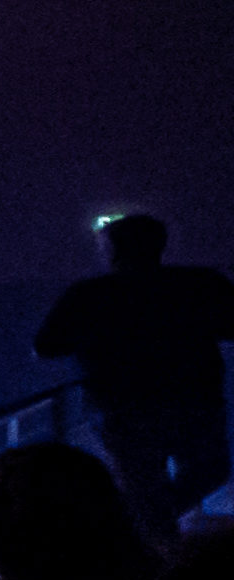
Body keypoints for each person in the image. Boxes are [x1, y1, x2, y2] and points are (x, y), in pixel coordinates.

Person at [39, 211, 234, 523]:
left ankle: (145, 531)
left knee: (141, 482)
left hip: (122, 405)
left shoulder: (89, 294)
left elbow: (46, 346)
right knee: (209, 471)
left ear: (112, 250)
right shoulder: (200, 283)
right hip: (196, 399)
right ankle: (151, 527)